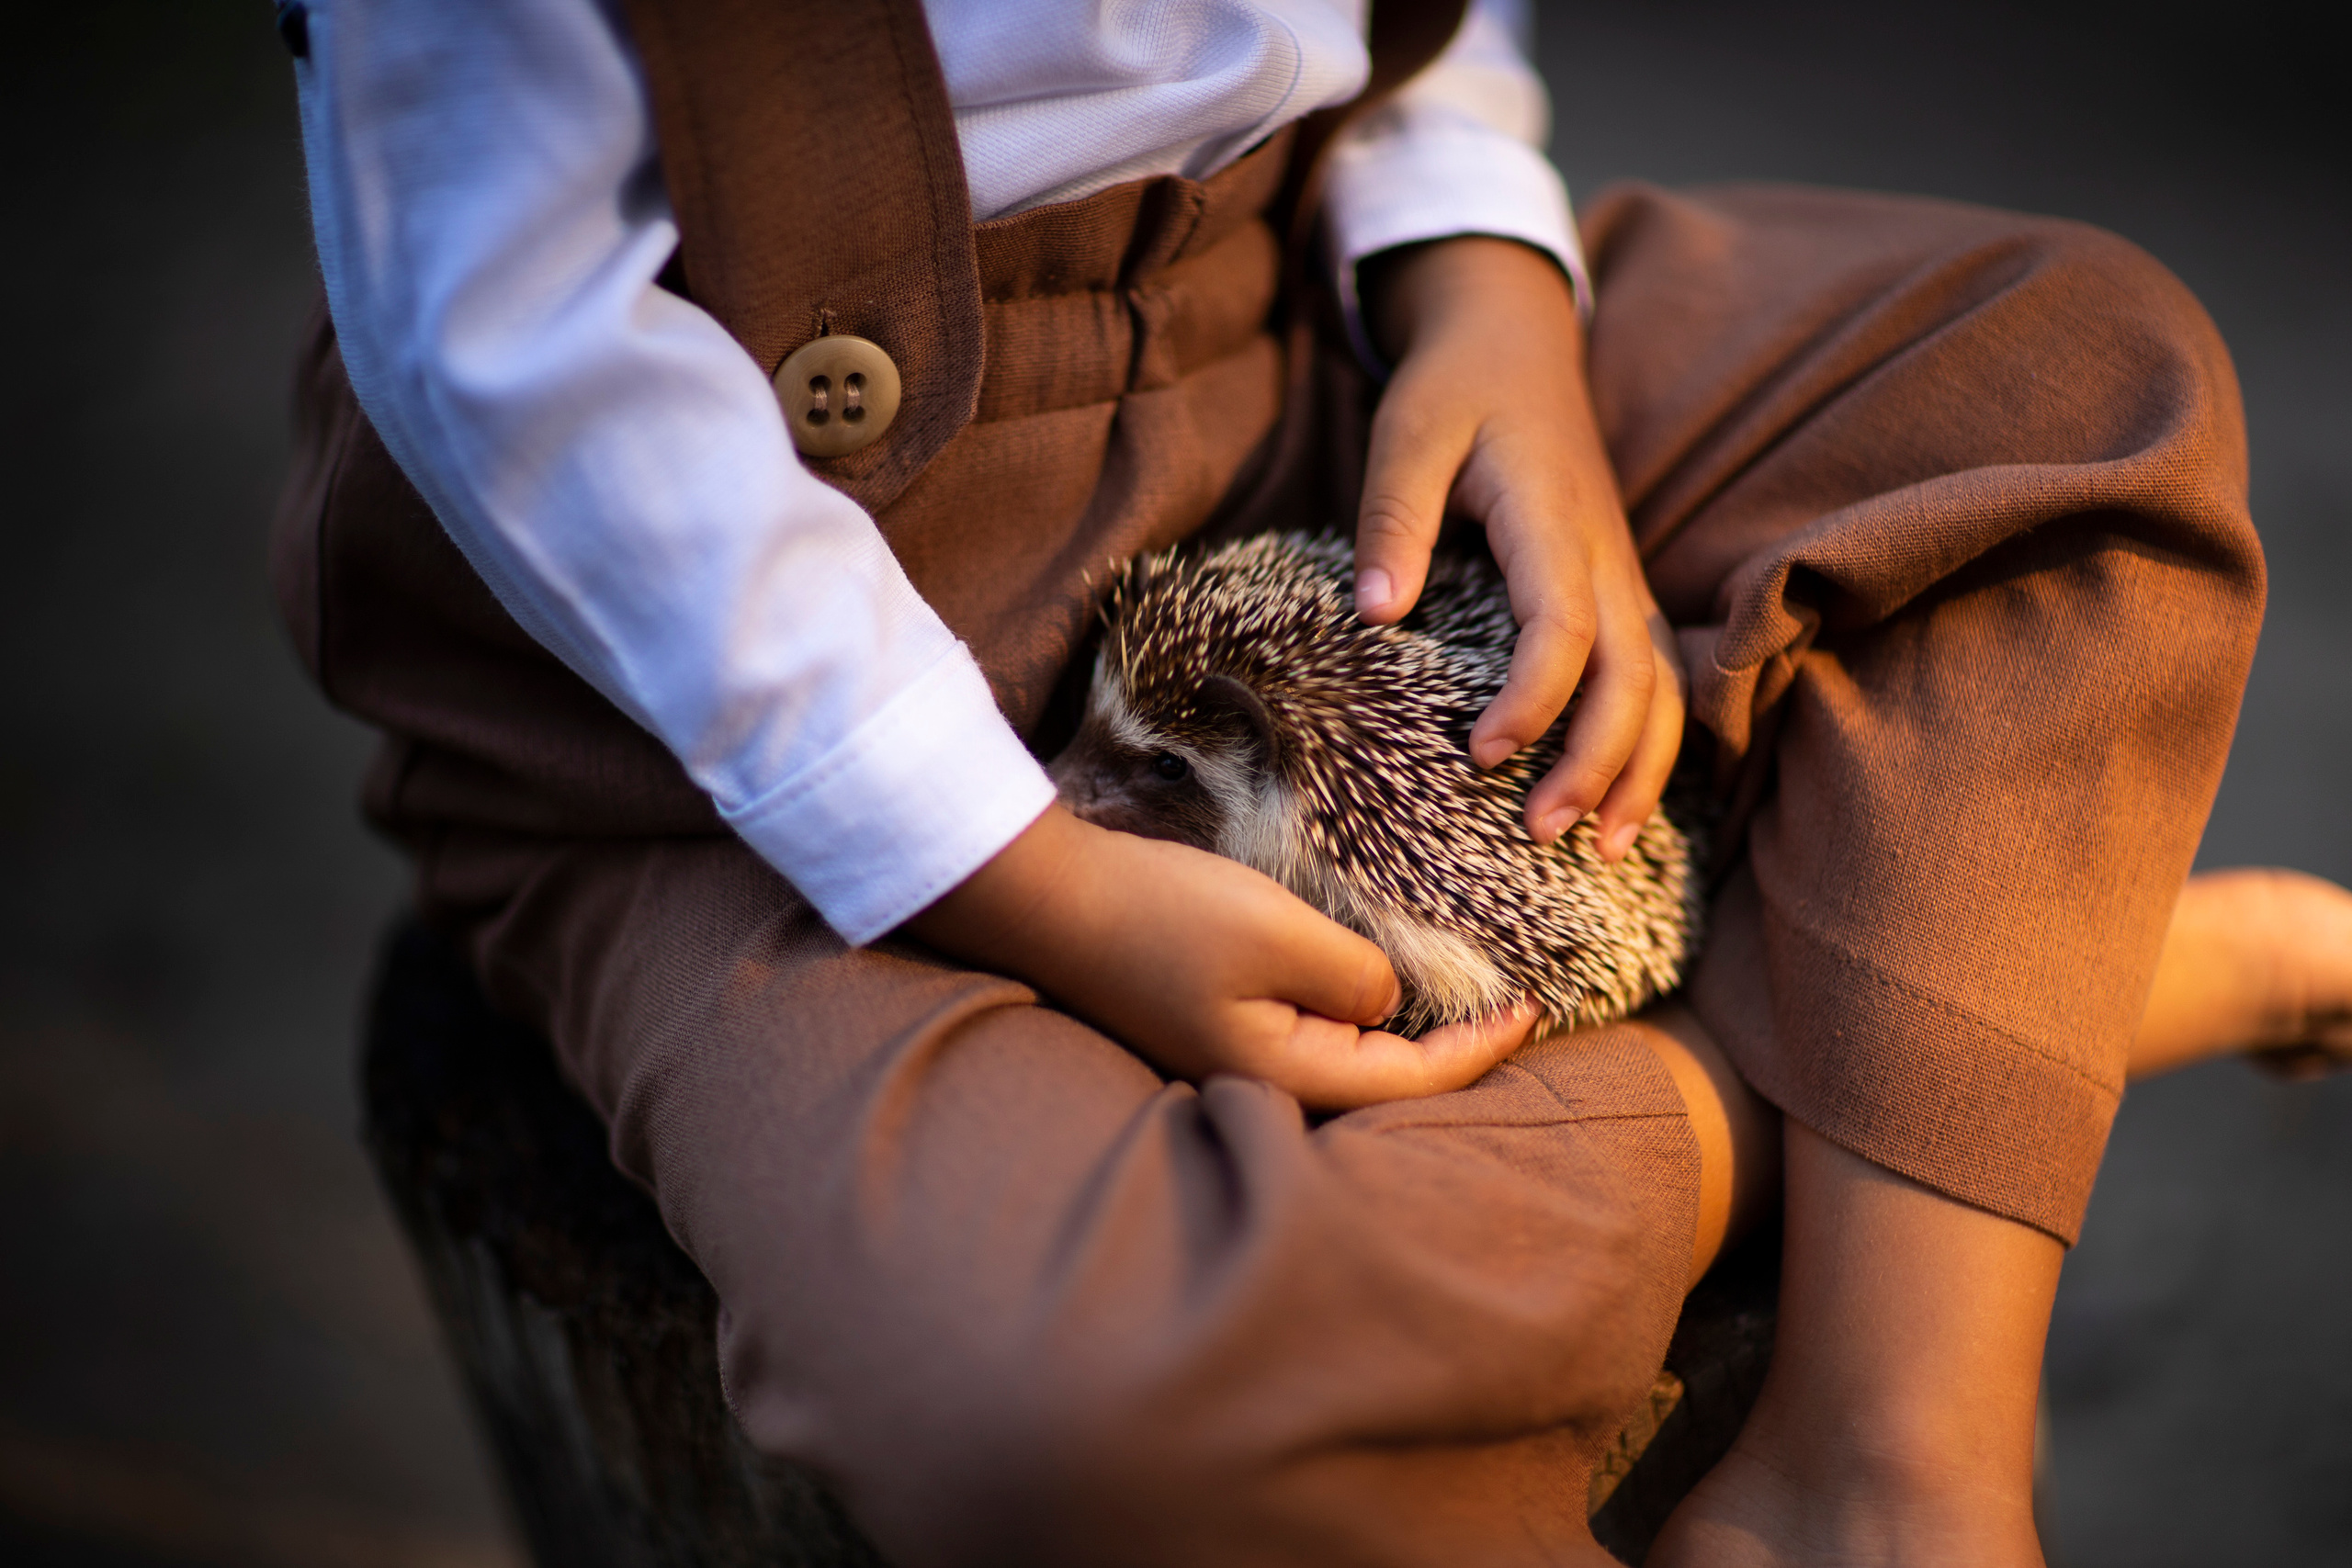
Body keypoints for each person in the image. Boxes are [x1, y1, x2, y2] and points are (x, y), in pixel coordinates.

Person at [274, 0, 2345, 1562]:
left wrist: (1481, 288)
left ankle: (1890, 1463)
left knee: (2076, 371)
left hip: (1300, 368)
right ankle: (1945, 1030)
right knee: (1068, 1402)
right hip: (698, 681)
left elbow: (1417, 44)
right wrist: (1013, 866)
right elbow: (500, 334)